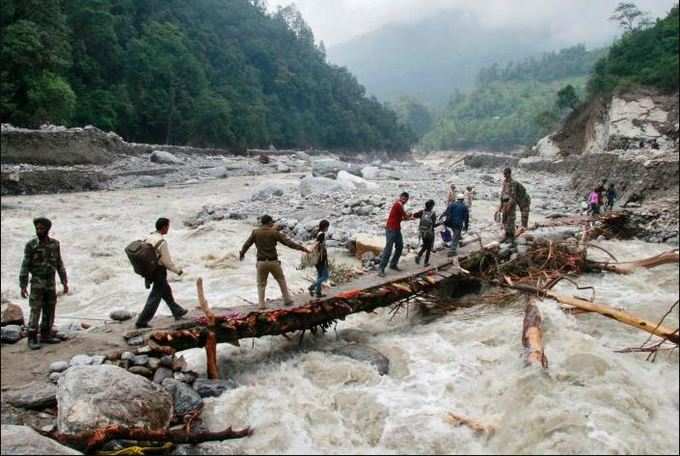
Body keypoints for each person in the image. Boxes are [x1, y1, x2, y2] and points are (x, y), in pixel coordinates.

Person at [240, 215, 309, 308]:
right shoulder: (274, 232)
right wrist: (302, 248)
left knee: (261, 284)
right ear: (268, 222)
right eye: (272, 222)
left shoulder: (255, 232)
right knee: (281, 280)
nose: (273, 223)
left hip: (261, 263)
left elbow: (247, 244)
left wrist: (242, 254)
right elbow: (288, 243)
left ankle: (261, 304)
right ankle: (287, 300)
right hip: (273, 262)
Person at [19, 217, 68, 350]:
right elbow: (25, 265)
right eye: (37, 228)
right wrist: (23, 285)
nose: (38, 230)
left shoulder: (55, 244)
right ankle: (32, 337)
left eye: (41, 228)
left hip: (50, 282)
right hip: (37, 282)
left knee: (50, 307)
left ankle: (46, 334)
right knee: (35, 309)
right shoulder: (31, 245)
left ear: (47, 229)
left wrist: (64, 282)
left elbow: (59, 264)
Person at [135, 218, 188, 329]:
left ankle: (177, 312)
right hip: (159, 271)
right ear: (164, 227)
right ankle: (142, 322)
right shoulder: (161, 242)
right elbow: (166, 262)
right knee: (155, 297)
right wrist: (178, 271)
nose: (168, 228)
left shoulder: (149, 237)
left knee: (166, 291)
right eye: (168, 226)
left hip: (150, 270)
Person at [378, 192, 413, 277]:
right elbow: (405, 217)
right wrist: (411, 216)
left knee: (400, 246)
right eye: (403, 198)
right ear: (400, 197)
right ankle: (381, 269)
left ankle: (393, 264)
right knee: (388, 249)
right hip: (391, 229)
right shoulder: (398, 205)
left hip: (396, 229)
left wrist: (408, 217)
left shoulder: (399, 205)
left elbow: (400, 218)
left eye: (406, 199)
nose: (404, 200)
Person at [497, 167, 531, 242]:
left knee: (521, 216)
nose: (505, 176)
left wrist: (507, 209)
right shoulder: (505, 182)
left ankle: (517, 233)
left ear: (509, 174)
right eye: (504, 174)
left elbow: (513, 198)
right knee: (506, 214)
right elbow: (502, 195)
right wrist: (500, 208)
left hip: (524, 200)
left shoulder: (513, 183)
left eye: (506, 174)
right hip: (512, 199)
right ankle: (507, 232)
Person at [440, 194, 469, 268]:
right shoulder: (464, 207)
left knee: (456, 235)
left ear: (457, 199)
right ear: (463, 200)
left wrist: (442, 217)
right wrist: (466, 226)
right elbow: (466, 218)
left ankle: (458, 242)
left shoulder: (452, 205)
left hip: (451, 223)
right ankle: (452, 251)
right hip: (458, 224)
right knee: (455, 237)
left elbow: (446, 212)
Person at [308, 220, 330, 298]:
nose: (328, 228)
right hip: (321, 259)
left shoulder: (317, 232)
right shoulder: (322, 235)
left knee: (320, 275)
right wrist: (325, 259)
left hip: (316, 258)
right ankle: (312, 287)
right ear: (325, 227)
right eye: (327, 226)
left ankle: (318, 293)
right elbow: (321, 248)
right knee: (326, 276)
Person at [414, 200, 438, 267]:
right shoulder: (433, 214)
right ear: (431, 206)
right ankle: (426, 262)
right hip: (430, 233)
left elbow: (415, 215)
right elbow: (433, 225)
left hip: (422, 232)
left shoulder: (422, 212)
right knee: (429, 247)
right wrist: (440, 223)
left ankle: (419, 255)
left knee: (425, 245)